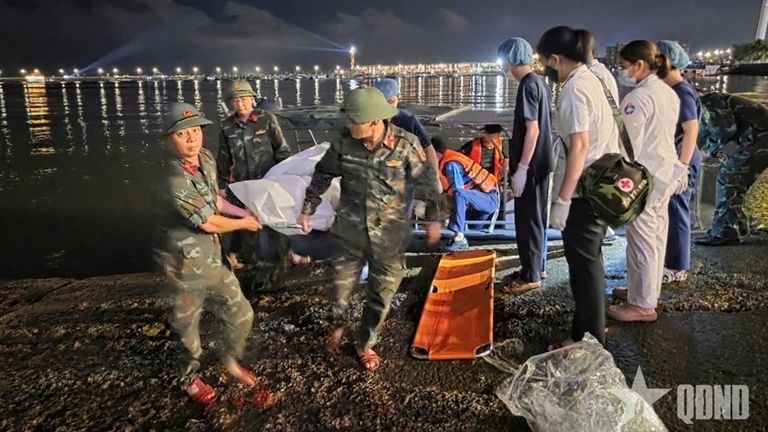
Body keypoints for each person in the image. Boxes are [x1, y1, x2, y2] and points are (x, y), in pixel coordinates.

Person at [298, 87, 442, 371]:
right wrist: (308, 207)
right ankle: (338, 325)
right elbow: (323, 173)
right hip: (349, 231)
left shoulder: (405, 144)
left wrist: (434, 218)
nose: (348, 124)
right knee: (339, 288)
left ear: (374, 121)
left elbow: (427, 183)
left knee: (381, 293)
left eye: (354, 120)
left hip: (389, 234)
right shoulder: (343, 141)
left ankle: (365, 343)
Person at [159, 102, 274, 407]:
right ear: (169, 140)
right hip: (184, 267)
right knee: (188, 332)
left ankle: (230, 359)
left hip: (213, 259)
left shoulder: (206, 158)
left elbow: (216, 201)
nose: (192, 138)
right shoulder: (174, 178)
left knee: (242, 313)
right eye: (183, 134)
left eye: (196, 131)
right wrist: (245, 224)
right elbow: (207, 221)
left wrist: (243, 210)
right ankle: (189, 378)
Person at [537, 26, 620, 347]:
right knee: (591, 264)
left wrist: (563, 199)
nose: (545, 68)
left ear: (556, 59)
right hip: (603, 184)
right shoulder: (595, 79)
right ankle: (590, 332)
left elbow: (580, 146)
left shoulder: (574, 90)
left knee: (583, 269)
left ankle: (586, 340)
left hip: (585, 191)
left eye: (545, 61)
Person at [607, 41, 688, 322]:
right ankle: (645, 292)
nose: (621, 72)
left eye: (623, 66)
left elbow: (627, 146)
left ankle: (642, 306)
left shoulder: (637, 99)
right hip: (666, 174)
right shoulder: (667, 94)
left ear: (639, 65)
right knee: (655, 238)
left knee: (641, 240)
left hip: (645, 178)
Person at [216, 79, 307, 282]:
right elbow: (223, 159)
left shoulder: (267, 119)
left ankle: (287, 257)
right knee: (249, 225)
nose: (241, 104)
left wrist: (289, 178)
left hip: (269, 182)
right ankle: (253, 266)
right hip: (244, 187)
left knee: (278, 224)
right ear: (231, 102)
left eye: (245, 99)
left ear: (252, 99)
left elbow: (282, 150)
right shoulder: (226, 126)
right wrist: (222, 186)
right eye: (236, 100)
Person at [495, 37, 553, 294]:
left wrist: (522, 168)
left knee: (527, 220)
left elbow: (533, 129)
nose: (501, 65)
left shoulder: (527, 86)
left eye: (502, 59)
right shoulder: (539, 82)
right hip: (542, 163)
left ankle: (531, 276)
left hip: (532, 165)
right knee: (538, 218)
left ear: (511, 58)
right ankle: (537, 266)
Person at [694, 92, 768, 246]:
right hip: (755, 137)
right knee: (736, 179)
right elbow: (705, 134)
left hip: (759, 138)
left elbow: (726, 131)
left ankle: (724, 232)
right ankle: (737, 226)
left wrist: (707, 152)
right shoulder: (706, 104)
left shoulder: (708, 104)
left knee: (729, 178)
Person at [656, 40, 703, 283]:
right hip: (677, 157)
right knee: (673, 209)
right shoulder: (674, 90)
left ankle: (677, 267)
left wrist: (681, 168)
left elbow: (691, 130)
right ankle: (671, 260)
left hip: (682, 158)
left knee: (677, 210)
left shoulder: (682, 91)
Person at [432, 137, 500, 251]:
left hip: (488, 200)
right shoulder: (444, 165)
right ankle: (460, 234)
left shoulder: (451, 165)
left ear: (436, 154)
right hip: (477, 207)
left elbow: (459, 193)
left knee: (459, 194)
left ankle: (459, 237)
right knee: (474, 228)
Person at [585, 34, 620, 244]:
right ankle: (604, 229)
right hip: (607, 138)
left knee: (596, 186)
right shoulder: (602, 73)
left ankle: (601, 231)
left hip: (598, 141)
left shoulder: (592, 76)